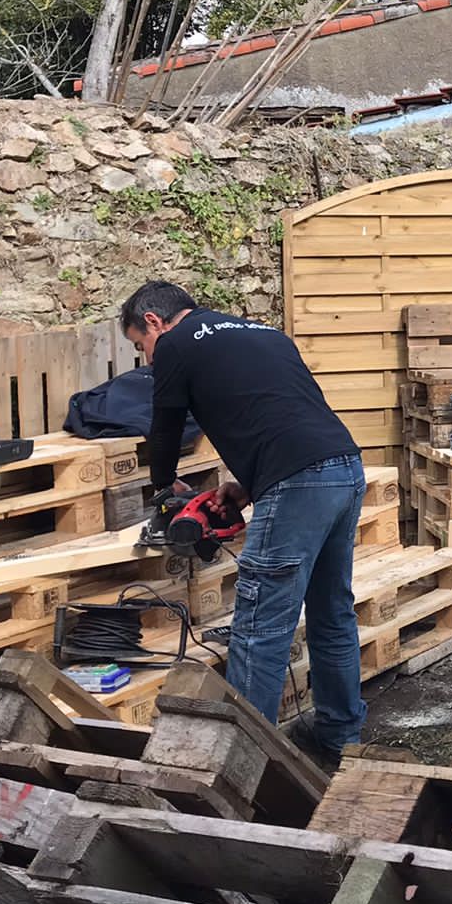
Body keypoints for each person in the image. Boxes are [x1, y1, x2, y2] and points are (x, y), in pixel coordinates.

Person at [120, 280, 365, 765]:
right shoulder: (265, 333)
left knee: (258, 629)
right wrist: (250, 485)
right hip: (344, 468)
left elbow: (165, 426)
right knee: (332, 612)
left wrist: (164, 489)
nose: (146, 357)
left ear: (153, 321)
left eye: (139, 345)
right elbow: (283, 414)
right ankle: (340, 740)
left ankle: (245, 767)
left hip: (297, 483)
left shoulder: (175, 344)